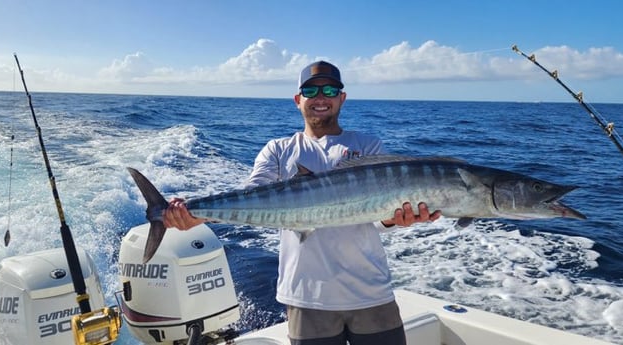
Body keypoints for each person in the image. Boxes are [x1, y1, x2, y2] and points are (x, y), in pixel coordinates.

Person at [163, 61, 441, 345]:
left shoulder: (368, 145)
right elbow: (251, 197)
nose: (321, 97)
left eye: (330, 89)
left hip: (371, 293)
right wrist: (196, 212)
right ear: (298, 100)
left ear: (341, 98)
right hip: (306, 297)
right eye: (311, 90)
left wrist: (397, 218)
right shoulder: (279, 149)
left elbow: (379, 215)